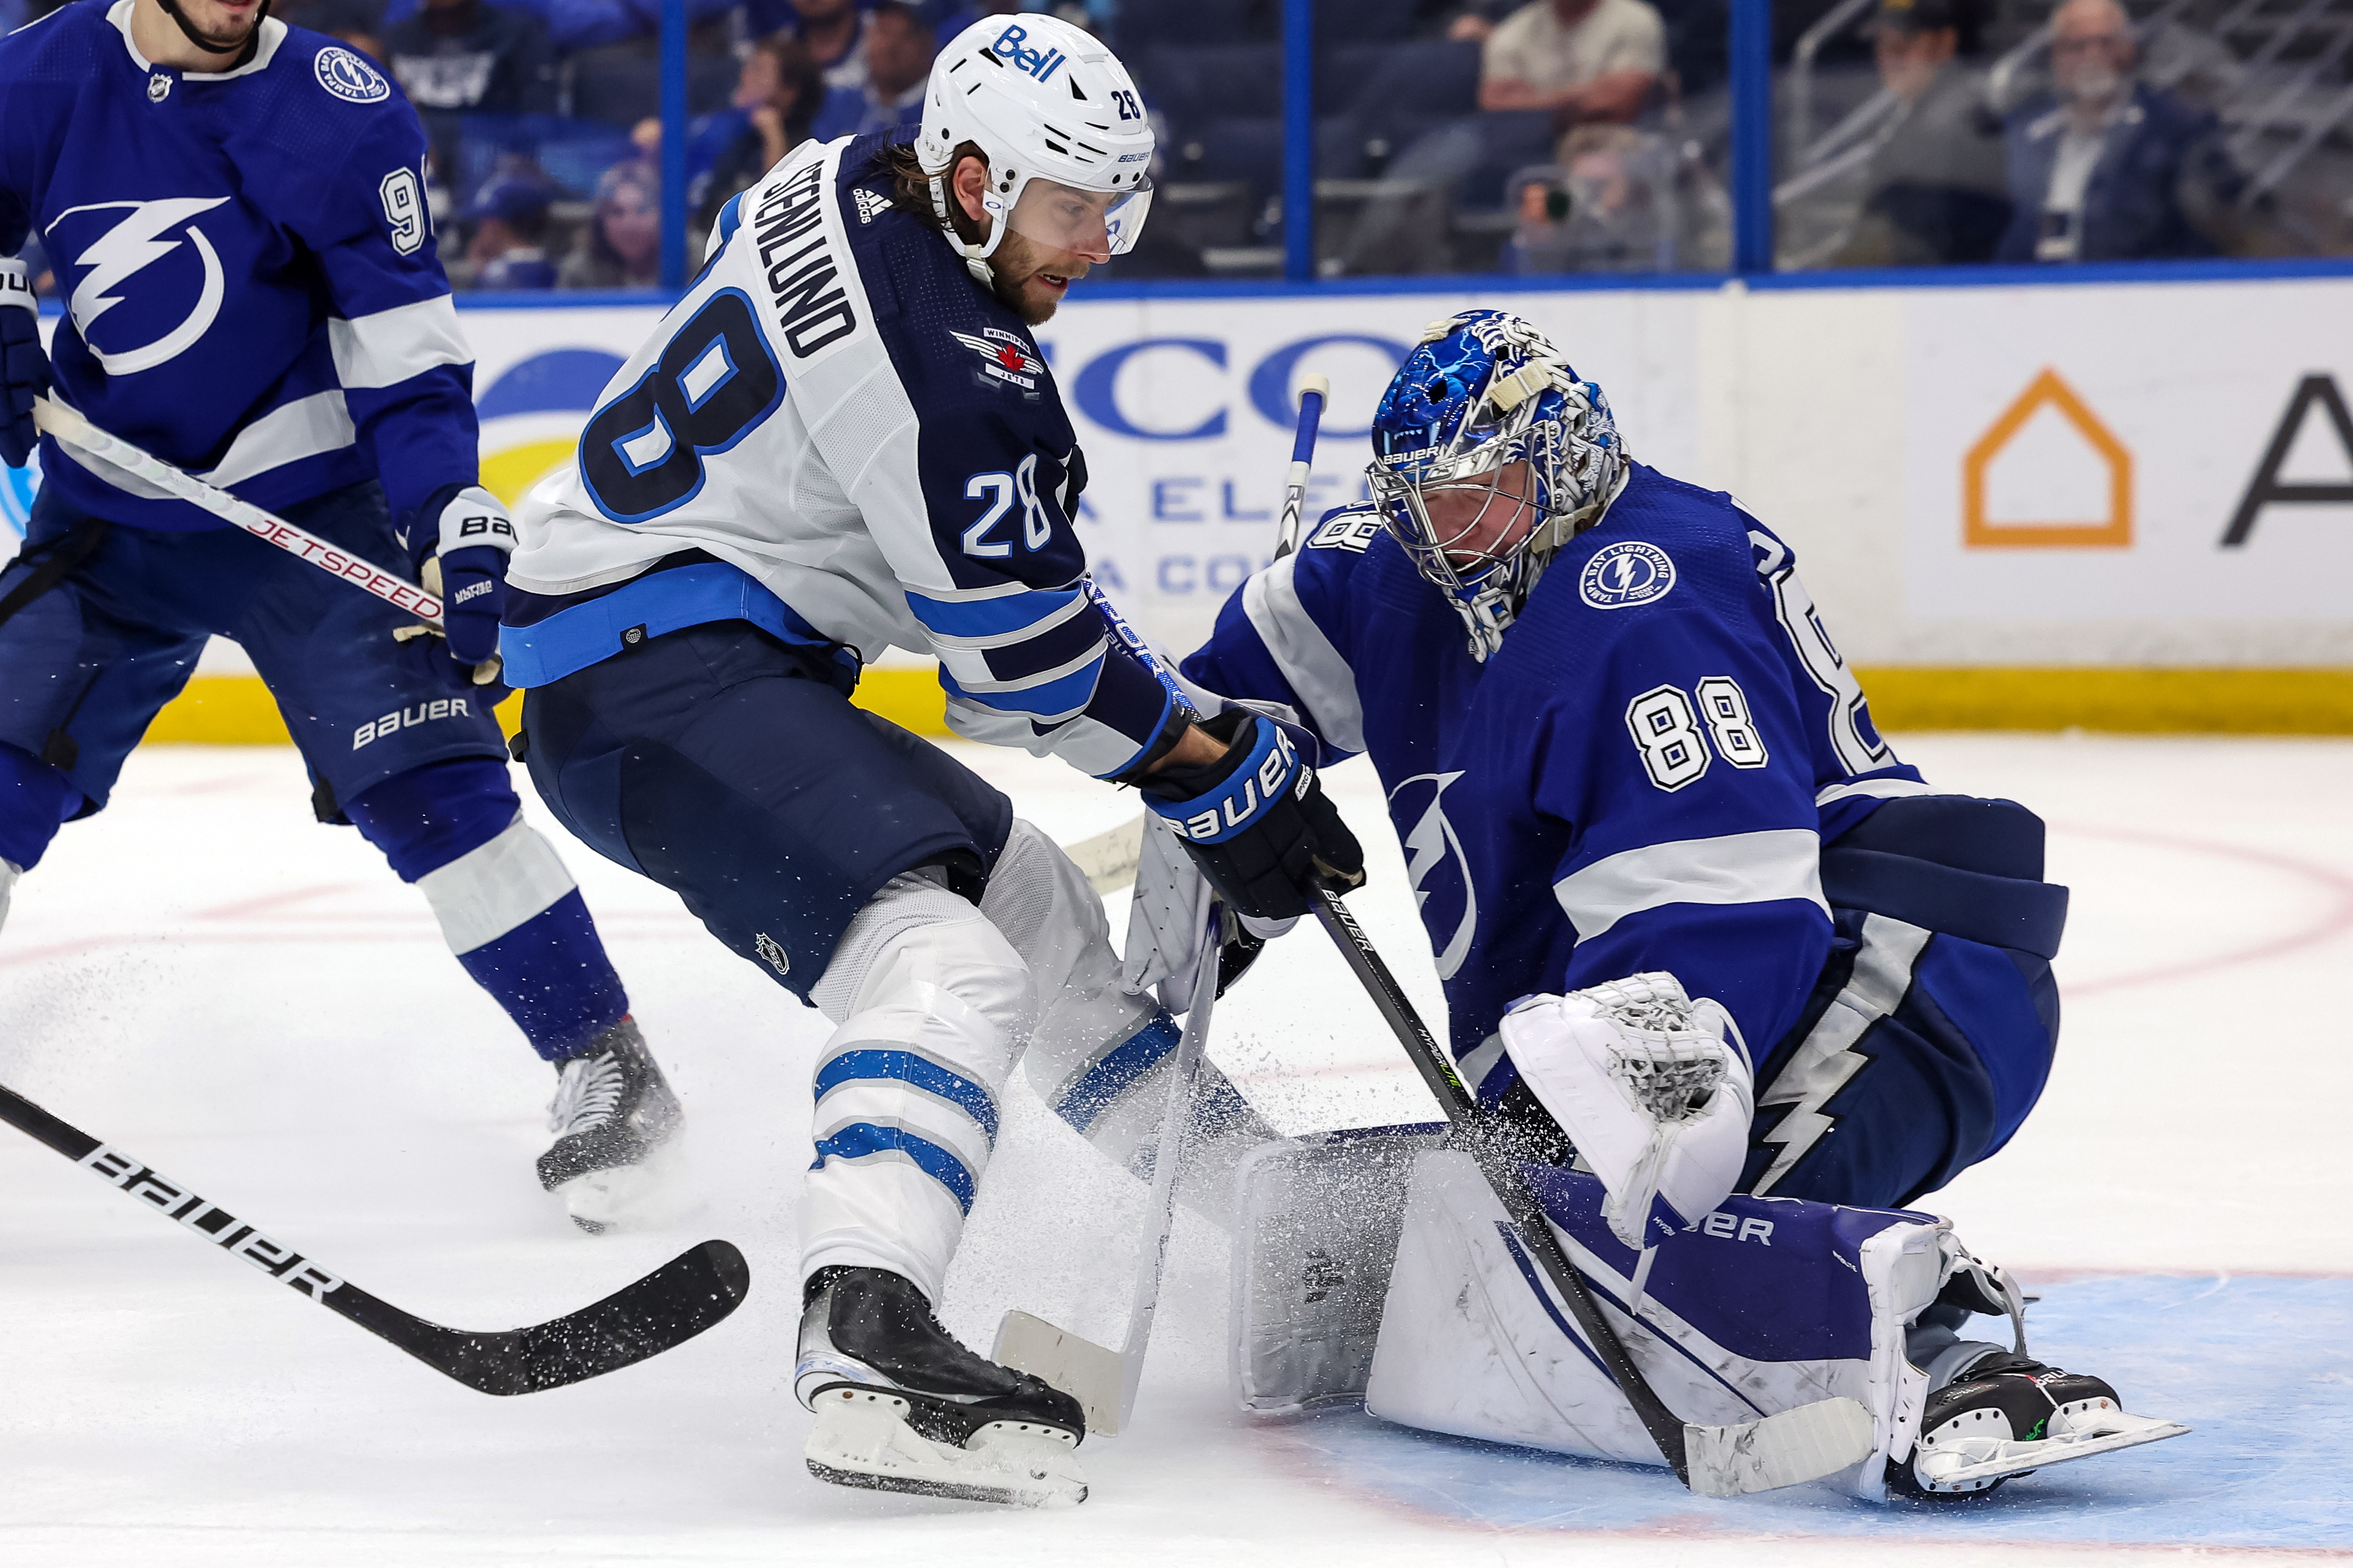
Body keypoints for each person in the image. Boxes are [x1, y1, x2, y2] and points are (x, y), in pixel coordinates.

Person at [497, 12, 1362, 1505]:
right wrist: (1206, 765)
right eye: (1071, 205)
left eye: (1114, 205)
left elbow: (978, 607)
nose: (1099, 243)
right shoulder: (956, 360)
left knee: (1035, 908)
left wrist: (1196, 738)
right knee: (946, 967)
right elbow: (1019, 671)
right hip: (653, 679)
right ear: (969, 178)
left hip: (657, 645)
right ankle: (865, 1328)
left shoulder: (832, 176)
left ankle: (1297, 1227)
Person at [1183, 309, 2178, 1498]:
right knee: (1584, 1215)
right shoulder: (1401, 564)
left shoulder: (1639, 597)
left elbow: (1726, 904)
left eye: (1479, 498)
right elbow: (1234, 689)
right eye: (1423, 508)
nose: (1450, 540)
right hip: (1730, 964)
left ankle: (1946, 1349)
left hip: (1898, 969)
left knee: (1681, 1224)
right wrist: (1215, 795)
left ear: (1563, 462)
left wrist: (1628, 1140)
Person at [0, 0, 684, 1233]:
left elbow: (404, 349)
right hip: (111, 514)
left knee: (435, 789)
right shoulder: (38, 74)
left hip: (308, 513)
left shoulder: (338, 110)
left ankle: (609, 1061)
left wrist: (446, 517)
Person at [1995, 0, 2241, 263]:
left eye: (2106, 43)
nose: (2092, 56)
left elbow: (2212, 231)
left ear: (2128, 51)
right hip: (2028, 293)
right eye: (2077, 46)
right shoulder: (2022, 130)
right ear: (2055, 55)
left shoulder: (2175, 128)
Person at [1831, 0, 2010, 266]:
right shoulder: (1906, 116)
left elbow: (1917, 244)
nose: (1890, 55)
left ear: (1945, 44)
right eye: (1882, 42)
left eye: (1904, 43)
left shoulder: (1954, 127)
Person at [695, 35, 827, 235]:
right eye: (747, 68)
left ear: (789, 91)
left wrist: (772, 135)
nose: (745, 77)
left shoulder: (808, 145)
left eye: (758, 70)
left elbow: (775, 212)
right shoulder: (739, 132)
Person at [1477, 0, 1664, 136]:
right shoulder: (1509, 34)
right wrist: (1587, 92)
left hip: (1618, 138)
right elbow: (1497, 106)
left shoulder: (1636, 19)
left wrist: (1533, 100)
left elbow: (1620, 101)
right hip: (1532, 145)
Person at [807, 0, 930, 142]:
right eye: (882, 31)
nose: (886, 46)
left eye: (903, 35)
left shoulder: (936, 108)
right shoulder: (840, 102)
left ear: (927, 42)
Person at [559, 162, 660, 288]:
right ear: (601, 220)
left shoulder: (689, 260)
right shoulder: (577, 272)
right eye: (617, 212)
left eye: (642, 210)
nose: (630, 225)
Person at [466, 176, 559, 288]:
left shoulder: (493, 278)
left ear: (495, 226)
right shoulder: (560, 271)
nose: (480, 231)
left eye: (483, 223)